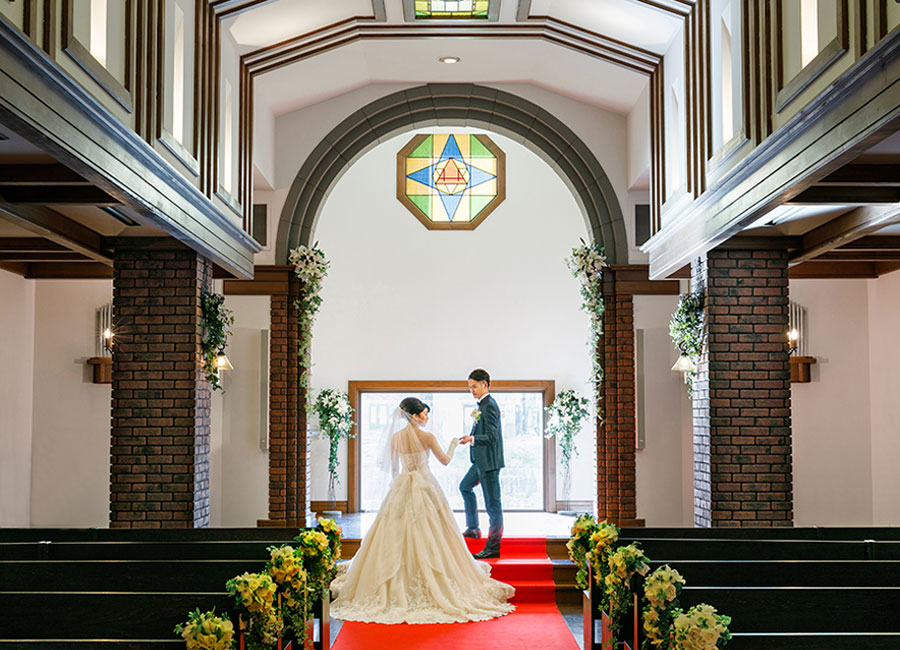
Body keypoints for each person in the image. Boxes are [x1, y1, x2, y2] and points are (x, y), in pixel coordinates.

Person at [329, 397, 514, 624]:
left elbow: (393, 470)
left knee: (395, 533)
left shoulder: (396, 438)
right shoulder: (427, 437)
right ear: (415, 415)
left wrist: (400, 487)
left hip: (401, 487)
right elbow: (445, 460)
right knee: (434, 531)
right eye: (425, 414)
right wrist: (453, 444)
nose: (427, 417)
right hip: (426, 487)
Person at [459, 368, 504, 559]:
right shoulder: (482, 405)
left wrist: (473, 439)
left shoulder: (490, 405)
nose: (472, 390)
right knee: (464, 487)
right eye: (470, 387)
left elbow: (492, 437)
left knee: (493, 506)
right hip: (479, 461)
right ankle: (473, 528)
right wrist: (471, 438)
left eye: (474, 386)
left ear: (485, 384)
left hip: (489, 463)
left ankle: (493, 546)